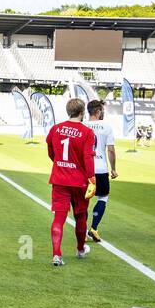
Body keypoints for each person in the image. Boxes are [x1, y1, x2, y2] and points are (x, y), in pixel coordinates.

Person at [46, 98, 96, 267]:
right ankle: (81, 249)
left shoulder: (55, 129)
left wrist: (59, 163)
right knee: (80, 216)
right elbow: (88, 157)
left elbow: (50, 151)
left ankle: (56, 254)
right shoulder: (87, 132)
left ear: (68, 111)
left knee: (59, 217)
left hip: (60, 179)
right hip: (79, 181)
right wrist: (92, 178)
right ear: (82, 113)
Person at [85, 100, 117, 243]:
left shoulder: (82, 125)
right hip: (100, 169)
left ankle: (82, 230)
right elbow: (110, 149)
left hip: (85, 169)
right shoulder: (107, 127)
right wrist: (114, 169)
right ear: (98, 111)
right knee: (102, 197)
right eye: (102, 110)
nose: (103, 113)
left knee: (83, 200)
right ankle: (94, 228)